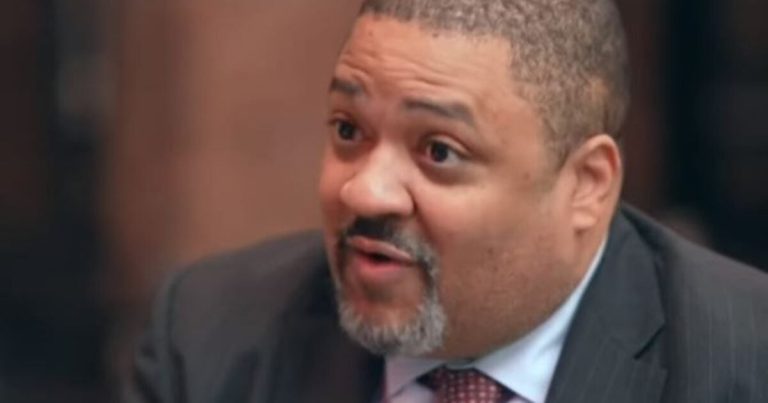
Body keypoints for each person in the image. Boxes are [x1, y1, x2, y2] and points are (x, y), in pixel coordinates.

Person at [126, 1, 768, 402]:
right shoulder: (211, 334)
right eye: (348, 130)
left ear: (587, 185)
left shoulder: (744, 362)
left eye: (438, 150)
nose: (364, 190)